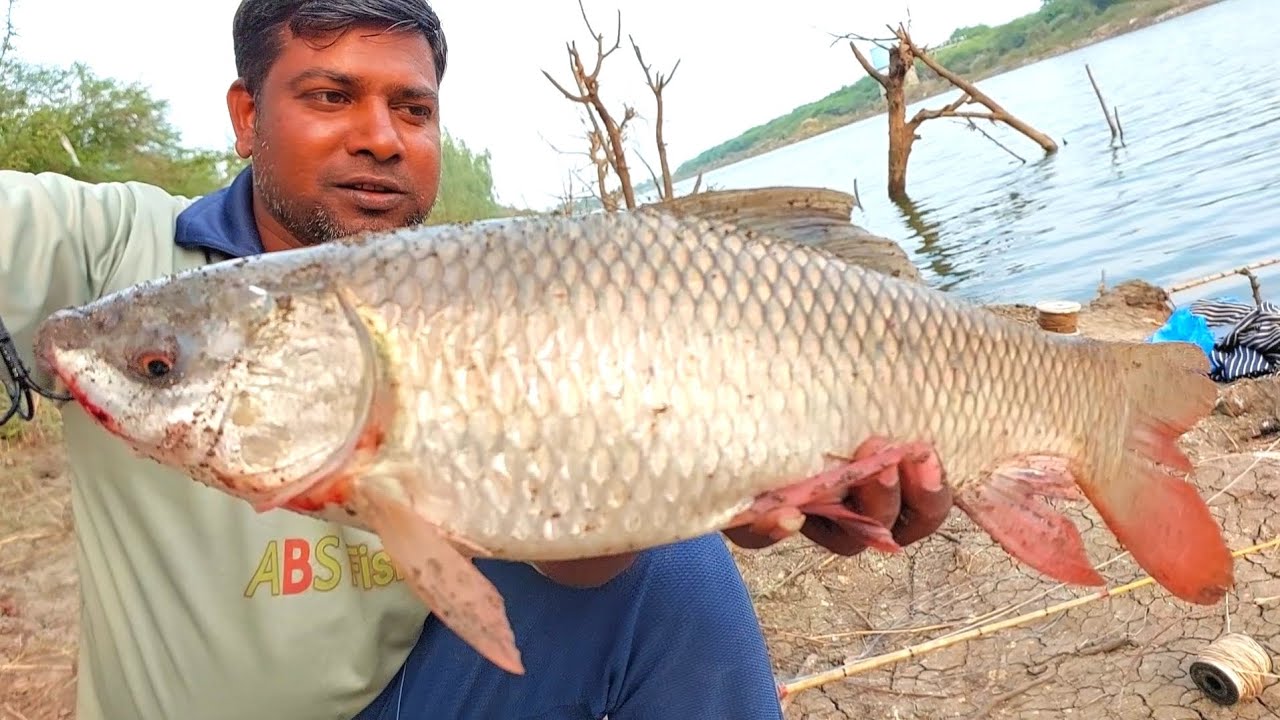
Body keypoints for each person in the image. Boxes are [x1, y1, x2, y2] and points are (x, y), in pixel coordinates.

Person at [0, 1, 953, 718]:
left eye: (411, 108)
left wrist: (716, 490)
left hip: (423, 693)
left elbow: (580, 572)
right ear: (247, 116)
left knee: (681, 571)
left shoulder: (490, 300)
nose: (380, 137)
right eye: (331, 96)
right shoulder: (114, 251)